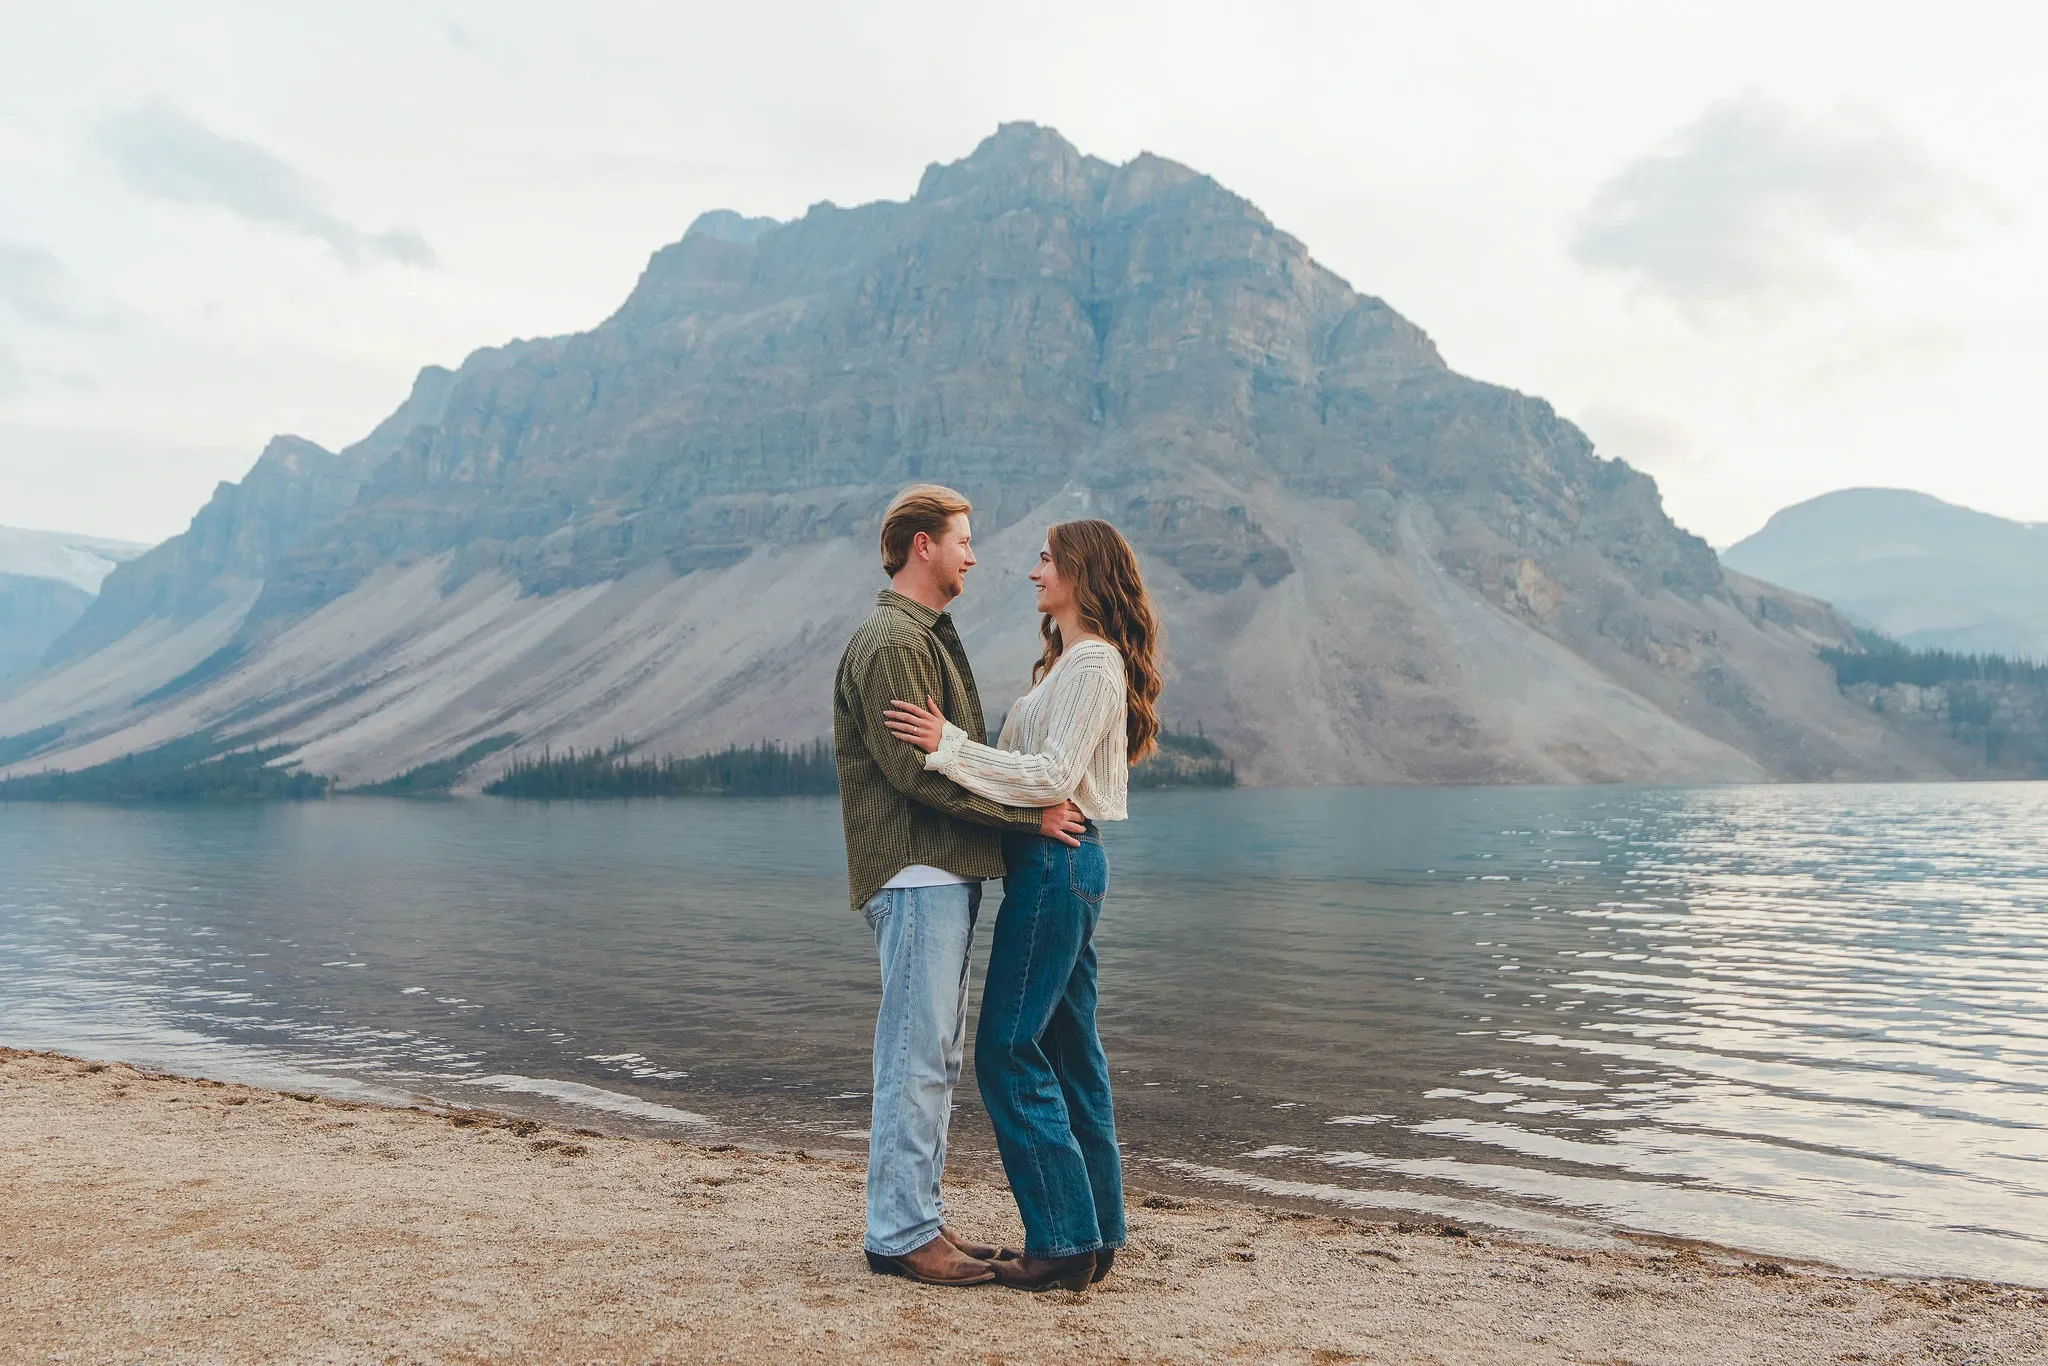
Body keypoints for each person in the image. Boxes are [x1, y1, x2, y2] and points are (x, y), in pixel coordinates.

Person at [884, 518, 1163, 1293]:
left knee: (1009, 1050)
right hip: (1057, 868)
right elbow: (1034, 771)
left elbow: (1049, 777)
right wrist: (962, 749)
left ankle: (1065, 1240)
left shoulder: (1095, 664)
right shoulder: (1067, 664)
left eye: (1045, 559)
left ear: (1080, 571)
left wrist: (946, 745)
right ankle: (1096, 1234)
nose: (1033, 570)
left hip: (1055, 868)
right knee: (1071, 1054)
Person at [831, 484, 1089, 1288]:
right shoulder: (895, 643)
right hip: (915, 875)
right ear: (923, 547)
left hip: (935, 873)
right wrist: (1028, 821)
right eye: (963, 540)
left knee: (931, 1053)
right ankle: (902, 1233)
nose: (975, 555)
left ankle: (912, 1218)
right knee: (917, 1055)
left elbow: (951, 757)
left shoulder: (921, 634)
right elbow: (915, 772)